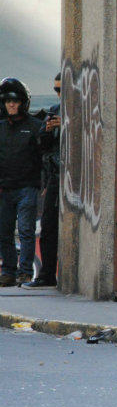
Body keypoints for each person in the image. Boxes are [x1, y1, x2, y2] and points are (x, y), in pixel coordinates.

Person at [0, 78, 45, 287]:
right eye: (7, 101)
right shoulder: (0, 127)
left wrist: (42, 184)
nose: (11, 104)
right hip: (4, 188)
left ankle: (25, 272)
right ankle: (8, 272)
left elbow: (43, 155)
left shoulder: (36, 126)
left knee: (27, 230)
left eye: (15, 101)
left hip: (27, 186)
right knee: (4, 231)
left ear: (23, 103)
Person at [22, 73, 61, 289]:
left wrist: (66, 125)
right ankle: (46, 275)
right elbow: (42, 146)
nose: (59, 94)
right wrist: (47, 130)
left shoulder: (80, 109)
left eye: (62, 89)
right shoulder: (54, 111)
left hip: (73, 176)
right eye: (56, 90)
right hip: (54, 175)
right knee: (48, 227)